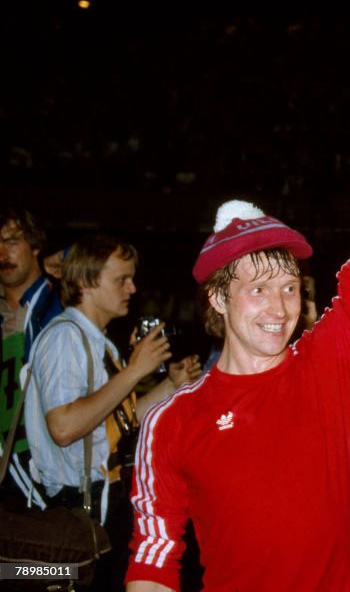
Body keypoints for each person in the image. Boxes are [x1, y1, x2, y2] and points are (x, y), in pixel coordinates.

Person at [124, 37, 350, 592]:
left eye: (290, 288)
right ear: (217, 300)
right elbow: (153, 561)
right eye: (257, 290)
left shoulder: (329, 365)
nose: (280, 309)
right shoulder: (171, 422)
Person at [24, 234, 202, 591]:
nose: (133, 288)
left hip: (100, 504)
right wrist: (134, 372)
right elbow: (64, 426)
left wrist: (171, 384)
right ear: (88, 282)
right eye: (122, 279)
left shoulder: (96, 341)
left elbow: (120, 422)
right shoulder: (65, 338)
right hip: (74, 508)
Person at [0, 207, 64, 505]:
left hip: (48, 456)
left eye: (12, 242)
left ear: (36, 245)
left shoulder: (60, 299)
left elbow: (100, 260)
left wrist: (66, 258)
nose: (2, 253)